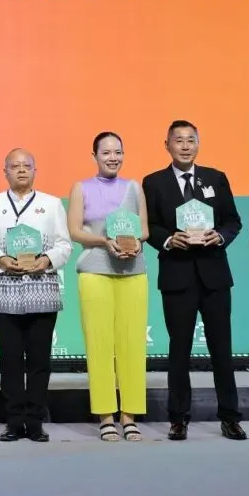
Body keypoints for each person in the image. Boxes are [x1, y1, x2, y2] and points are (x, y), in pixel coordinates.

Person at [142, 120, 246, 441]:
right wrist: (168, 239)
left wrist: (221, 235)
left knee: (221, 350)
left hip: (214, 277)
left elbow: (233, 220)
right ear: (167, 145)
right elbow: (149, 226)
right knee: (179, 350)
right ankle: (178, 418)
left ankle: (230, 418)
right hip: (177, 276)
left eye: (191, 140)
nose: (185, 146)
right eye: (179, 140)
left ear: (198, 144)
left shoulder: (215, 178)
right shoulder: (153, 182)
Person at [0, 149, 71, 443]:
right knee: (10, 361)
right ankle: (13, 421)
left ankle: (35, 422)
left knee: (39, 360)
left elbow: (64, 245)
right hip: (5, 291)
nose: (21, 170)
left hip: (41, 290)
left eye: (26, 166)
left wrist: (46, 260)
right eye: (15, 166)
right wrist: (1, 259)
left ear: (35, 171)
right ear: (5, 171)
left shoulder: (52, 204)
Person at [67, 132, 149, 442]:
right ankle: (105, 416)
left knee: (132, 345)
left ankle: (130, 415)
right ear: (95, 156)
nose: (113, 157)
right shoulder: (81, 188)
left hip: (133, 272)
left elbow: (143, 229)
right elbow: (75, 231)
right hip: (94, 271)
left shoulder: (134, 187)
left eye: (118, 152)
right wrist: (104, 241)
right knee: (99, 345)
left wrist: (135, 243)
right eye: (106, 152)